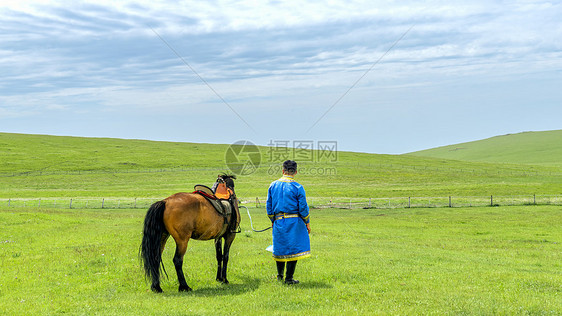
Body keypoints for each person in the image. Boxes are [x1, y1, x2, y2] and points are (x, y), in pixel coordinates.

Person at [266, 160, 311, 284]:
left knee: (279, 247)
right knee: (293, 248)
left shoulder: (273, 185)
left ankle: (280, 276)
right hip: (294, 221)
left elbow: (268, 206)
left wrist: (272, 219)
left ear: (283, 170)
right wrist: (306, 221)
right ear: (295, 172)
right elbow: (303, 207)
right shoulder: (298, 187)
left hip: (278, 221)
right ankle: (289, 278)